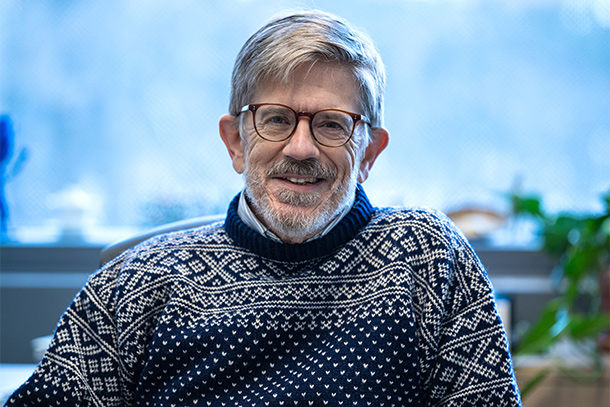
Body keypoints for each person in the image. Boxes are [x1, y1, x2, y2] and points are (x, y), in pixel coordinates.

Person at [5, 10, 522, 407]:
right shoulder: (133, 284)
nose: (301, 148)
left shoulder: (429, 259)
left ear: (368, 153)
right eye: (275, 120)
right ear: (235, 142)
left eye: (332, 124)